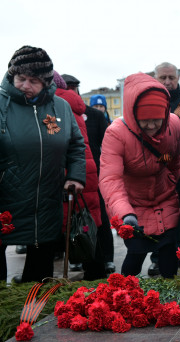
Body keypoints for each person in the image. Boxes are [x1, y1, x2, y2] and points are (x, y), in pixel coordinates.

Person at [0, 46, 86, 283]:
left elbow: (76, 146)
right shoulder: (1, 104)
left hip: (47, 199)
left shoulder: (61, 107)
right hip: (7, 196)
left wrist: (76, 177)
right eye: (21, 79)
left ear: (47, 81)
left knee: (39, 274)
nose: (25, 85)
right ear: (11, 76)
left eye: (34, 81)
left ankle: (33, 312)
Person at [99, 72, 180, 278]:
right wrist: (125, 213)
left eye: (157, 120)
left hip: (165, 200)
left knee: (168, 257)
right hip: (132, 205)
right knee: (135, 255)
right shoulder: (116, 133)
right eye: (145, 121)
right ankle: (123, 295)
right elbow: (111, 179)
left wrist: (171, 183)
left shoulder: (173, 125)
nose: (152, 126)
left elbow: (176, 160)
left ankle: (170, 302)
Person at [53, 71, 106, 279]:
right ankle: (97, 281)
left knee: (60, 229)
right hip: (85, 172)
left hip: (68, 174)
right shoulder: (74, 106)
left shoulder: (54, 106)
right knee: (87, 224)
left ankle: (43, 287)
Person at [150, 62, 180, 275]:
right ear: (156, 79)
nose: (168, 82)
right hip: (157, 170)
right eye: (163, 78)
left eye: (172, 77)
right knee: (158, 216)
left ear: (178, 78)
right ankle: (157, 257)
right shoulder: (149, 100)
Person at [61, 74, 115, 274]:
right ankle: (76, 255)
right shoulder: (62, 111)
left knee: (97, 219)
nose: (71, 89)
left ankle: (106, 258)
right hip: (74, 174)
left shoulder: (94, 115)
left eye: (74, 86)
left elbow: (106, 144)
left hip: (94, 173)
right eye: (68, 86)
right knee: (73, 220)